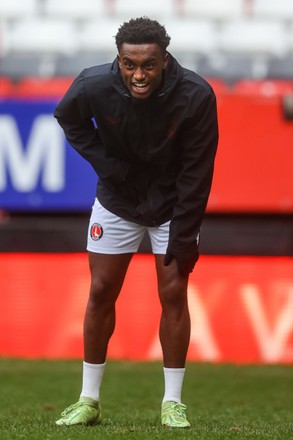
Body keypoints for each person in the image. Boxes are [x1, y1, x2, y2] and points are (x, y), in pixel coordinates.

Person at [54, 17, 218, 429]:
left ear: (164, 59)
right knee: (101, 290)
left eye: (148, 64)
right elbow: (68, 118)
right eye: (129, 64)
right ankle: (88, 400)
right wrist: (110, 167)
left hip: (171, 205)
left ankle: (172, 403)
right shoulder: (92, 84)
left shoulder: (196, 95)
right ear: (119, 59)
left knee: (174, 292)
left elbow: (198, 172)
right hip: (117, 200)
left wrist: (185, 234)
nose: (138, 75)